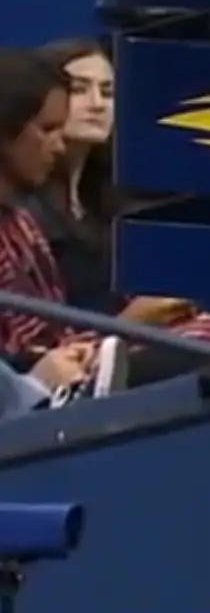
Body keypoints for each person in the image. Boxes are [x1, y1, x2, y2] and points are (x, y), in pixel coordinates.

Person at [31, 38, 210, 362]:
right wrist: (132, 323)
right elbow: (39, 352)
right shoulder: (24, 215)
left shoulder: (113, 200)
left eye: (108, 91)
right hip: (81, 371)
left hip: (143, 348)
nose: (97, 104)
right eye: (80, 90)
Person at [0, 48, 104, 403]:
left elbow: (53, 335)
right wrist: (35, 382)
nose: (60, 146)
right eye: (47, 130)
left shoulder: (21, 222)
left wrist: (79, 355)